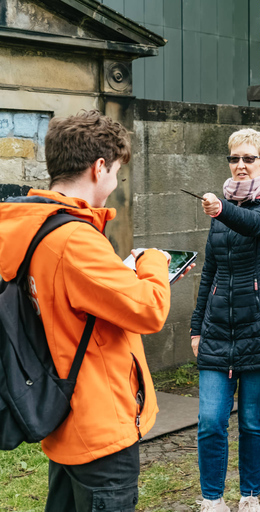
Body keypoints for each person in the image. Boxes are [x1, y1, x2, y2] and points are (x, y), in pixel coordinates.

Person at [0, 110, 175, 511]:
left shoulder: (33, 226)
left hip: (64, 416)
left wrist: (123, 275)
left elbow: (71, 299)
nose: (115, 183)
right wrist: (153, 263)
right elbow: (148, 310)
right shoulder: (74, 240)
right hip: (99, 425)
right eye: (116, 172)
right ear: (99, 167)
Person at [190, 128, 260, 512]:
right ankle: (212, 499)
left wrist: (222, 209)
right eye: (234, 159)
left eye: (248, 159)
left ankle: (249, 495)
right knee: (210, 421)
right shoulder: (221, 210)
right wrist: (196, 326)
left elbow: (257, 225)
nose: (240, 165)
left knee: (252, 422)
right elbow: (210, 271)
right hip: (218, 331)